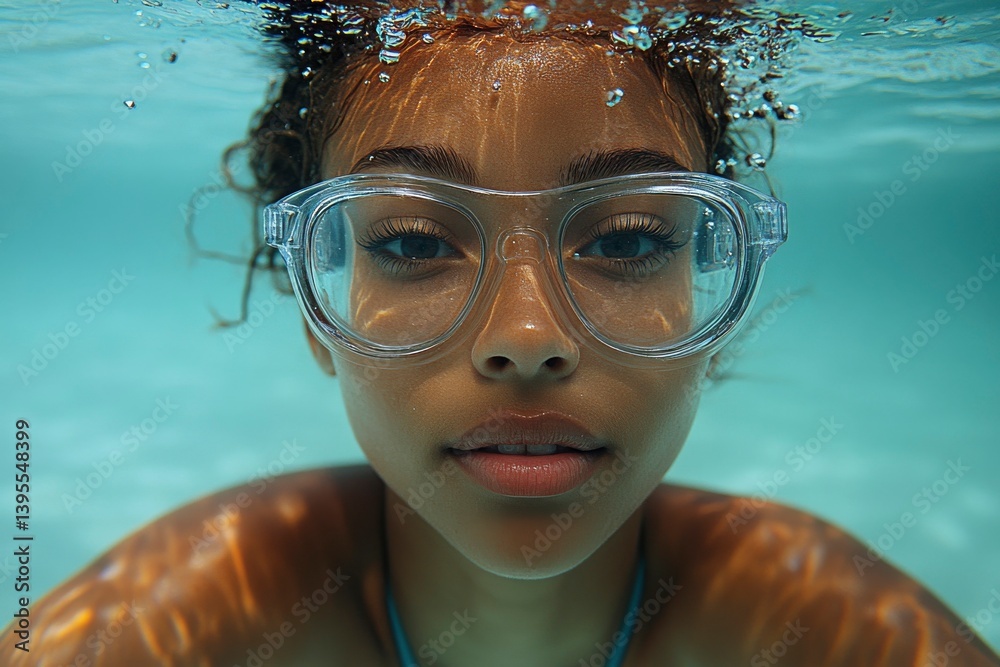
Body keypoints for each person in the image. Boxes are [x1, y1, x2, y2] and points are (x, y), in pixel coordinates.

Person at [7, 2, 1000, 666]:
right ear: (320, 304)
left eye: (623, 238)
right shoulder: (201, 607)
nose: (525, 338)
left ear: (710, 292)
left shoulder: (817, 619)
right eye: (408, 241)